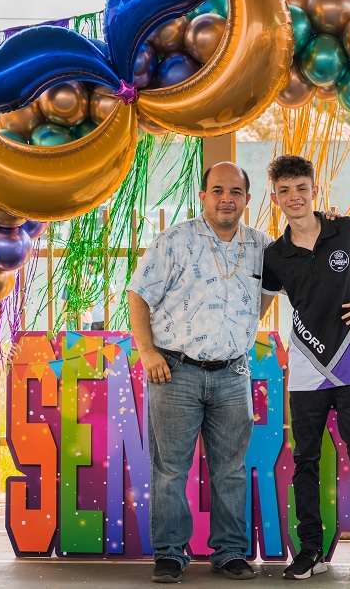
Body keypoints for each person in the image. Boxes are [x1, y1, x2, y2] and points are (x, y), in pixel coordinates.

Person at [259, 155, 350, 582]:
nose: (294, 197)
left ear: (314, 190)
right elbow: (260, 307)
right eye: (285, 191)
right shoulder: (275, 254)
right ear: (275, 199)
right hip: (306, 365)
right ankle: (310, 551)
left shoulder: (347, 229)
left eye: (301, 188)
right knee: (305, 459)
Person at [128, 162, 269, 583]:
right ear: (203, 196)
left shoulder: (262, 246)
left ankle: (229, 553)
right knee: (171, 468)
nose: (227, 198)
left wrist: (241, 331)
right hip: (174, 372)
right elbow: (138, 294)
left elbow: (272, 290)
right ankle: (170, 554)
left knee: (230, 468)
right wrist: (147, 351)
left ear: (247, 198)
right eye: (218, 190)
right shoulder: (174, 240)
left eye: (236, 191)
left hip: (232, 374)